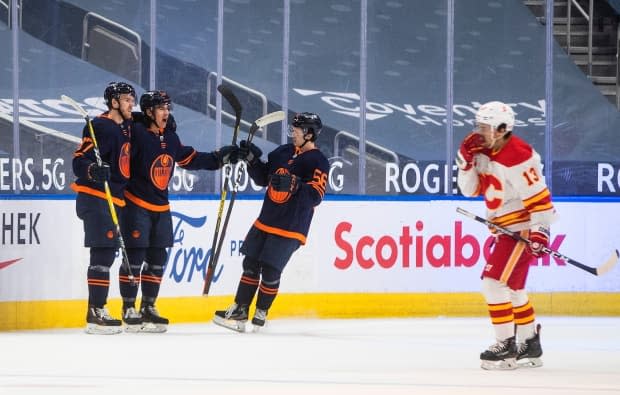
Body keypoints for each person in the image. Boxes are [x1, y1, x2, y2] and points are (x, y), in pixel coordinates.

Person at [119, 90, 238, 333]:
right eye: (161, 108)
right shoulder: (136, 133)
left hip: (162, 208)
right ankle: (128, 307)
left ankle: (148, 306)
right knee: (134, 258)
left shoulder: (170, 138)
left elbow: (190, 158)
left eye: (167, 109)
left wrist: (220, 158)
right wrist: (137, 120)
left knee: (158, 259)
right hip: (136, 205)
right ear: (149, 111)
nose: (166, 113)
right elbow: (117, 128)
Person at [455, 101, 557, 370]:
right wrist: (465, 164)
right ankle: (529, 342)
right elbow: (470, 190)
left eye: (485, 127)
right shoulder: (482, 152)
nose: (480, 132)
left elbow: (541, 200)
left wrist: (540, 232)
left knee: (492, 283)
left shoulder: (519, 155)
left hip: (520, 227)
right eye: (479, 126)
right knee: (512, 289)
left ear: (502, 129)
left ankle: (506, 345)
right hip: (503, 228)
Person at [213, 112, 329, 332]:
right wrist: (252, 160)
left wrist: (295, 185)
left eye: (296, 130)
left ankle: (261, 313)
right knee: (250, 265)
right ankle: (239, 309)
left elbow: (316, 196)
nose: (292, 133)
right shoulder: (283, 152)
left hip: (291, 227)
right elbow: (262, 178)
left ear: (309, 133)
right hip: (266, 219)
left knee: (271, 269)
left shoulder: (318, 161)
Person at [72, 81, 136, 334]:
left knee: (108, 254)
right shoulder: (98, 126)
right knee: (102, 254)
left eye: (133, 100)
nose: (132, 104)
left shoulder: (127, 126)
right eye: (127, 100)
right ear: (114, 102)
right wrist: (91, 170)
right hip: (95, 196)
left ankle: (96, 309)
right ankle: (96, 311)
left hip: (114, 199)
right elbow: (79, 158)